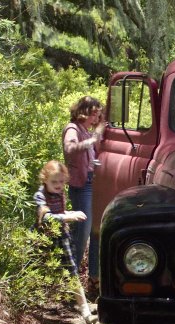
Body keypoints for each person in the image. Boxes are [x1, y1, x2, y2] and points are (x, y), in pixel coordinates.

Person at [34, 160, 98, 324]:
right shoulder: (41, 196)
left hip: (62, 237)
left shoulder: (60, 193)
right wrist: (67, 216)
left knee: (72, 272)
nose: (58, 185)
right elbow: (46, 218)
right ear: (45, 179)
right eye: (54, 182)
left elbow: (59, 213)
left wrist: (71, 212)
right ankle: (32, 309)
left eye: (62, 182)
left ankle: (85, 312)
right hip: (44, 239)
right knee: (37, 271)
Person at [62, 96, 106, 289]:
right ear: (85, 112)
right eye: (94, 114)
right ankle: (68, 285)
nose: (96, 118)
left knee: (95, 231)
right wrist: (91, 142)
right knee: (82, 234)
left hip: (92, 183)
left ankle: (93, 280)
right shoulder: (72, 129)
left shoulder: (85, 130)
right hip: (82, 185)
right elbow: (70, 148)